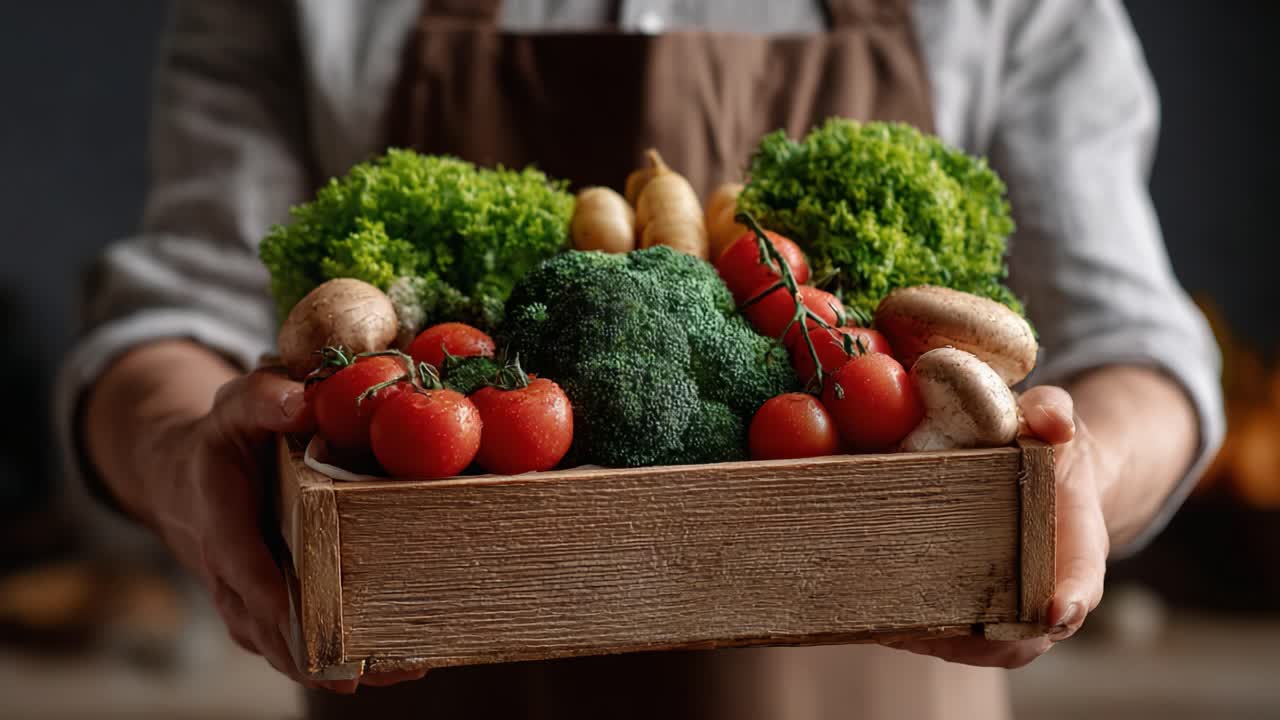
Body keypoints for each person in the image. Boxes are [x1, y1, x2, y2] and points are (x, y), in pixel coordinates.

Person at [59, 1, 1223, 718]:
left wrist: (1079, 477)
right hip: (428, 688)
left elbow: (1137, 342)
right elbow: (176, 305)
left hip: (876, 691)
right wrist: (177, 453)